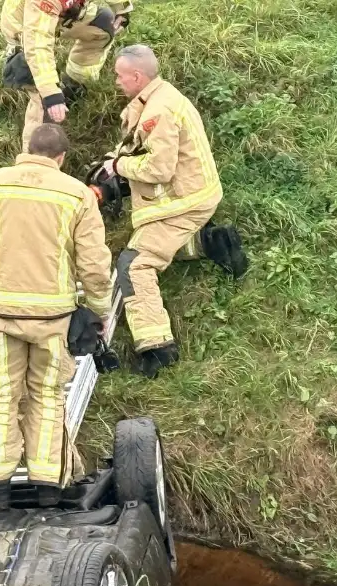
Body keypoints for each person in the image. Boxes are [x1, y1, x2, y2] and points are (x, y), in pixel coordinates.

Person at [0, 123, 113, 509]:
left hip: (1, 317)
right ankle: (46, 485)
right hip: (52, 321)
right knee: (47, 396)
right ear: (61, 158)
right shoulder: (76, 196)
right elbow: (94, 261)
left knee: (2, 395)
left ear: (25, 149)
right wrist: (99, 309)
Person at [100, 44, 248, 378]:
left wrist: (120, 168)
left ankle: (158, 347)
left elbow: (159, 169)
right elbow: (141, 147)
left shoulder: (159, 111)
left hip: (182, 201)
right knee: (163, 244)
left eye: (119, 75)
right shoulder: (157, 97)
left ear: (137, 76)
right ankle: (212, 244)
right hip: (191, 194)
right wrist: (113, 162)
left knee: (135, 264)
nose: (116, 81)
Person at [0, 0, 134, 149]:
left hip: (67, 13)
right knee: (42, 94)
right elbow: (38, 45)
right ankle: (34, 160)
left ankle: (74, 85)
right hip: (27, 23)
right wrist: (51, 92)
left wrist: (122, 9)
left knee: (103, 25)